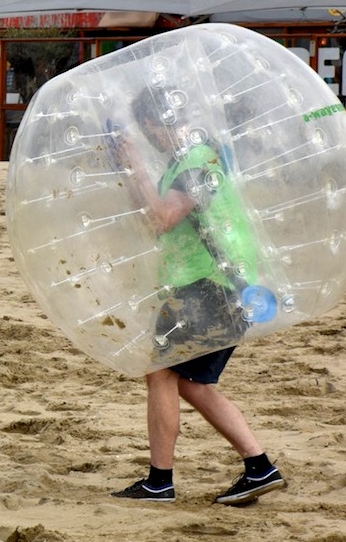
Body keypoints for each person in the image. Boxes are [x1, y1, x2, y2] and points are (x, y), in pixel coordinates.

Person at [108, 90, 284, 506]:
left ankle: (159, 482)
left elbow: (163, 218)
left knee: (162, 372)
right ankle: (259, 466)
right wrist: (128, 169)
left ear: (155, 124)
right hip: (222, 286)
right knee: (192, 382)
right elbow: (153, 218)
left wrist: (132, 160)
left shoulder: (199, 158)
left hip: (208, 285)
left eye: (146, 131)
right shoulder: (193, 156)